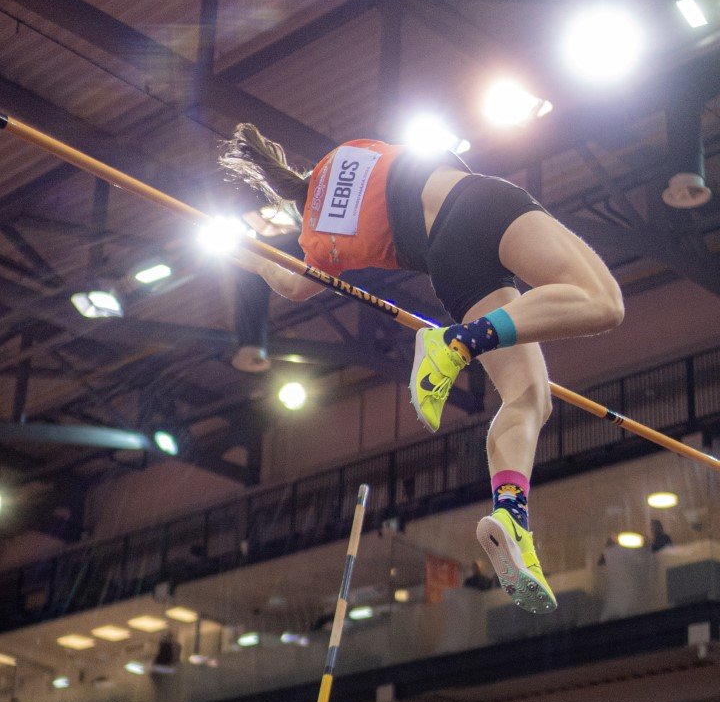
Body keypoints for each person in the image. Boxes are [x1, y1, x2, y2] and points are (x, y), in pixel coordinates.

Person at [220, 126, 624, 616]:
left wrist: (251, 258)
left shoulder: (318, 239)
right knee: (603, 301)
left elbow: (291, 286)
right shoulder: (351, 151)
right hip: (475, 203)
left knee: (528, 397)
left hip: (450, 266)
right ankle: (460, 342)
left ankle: (511, 516)